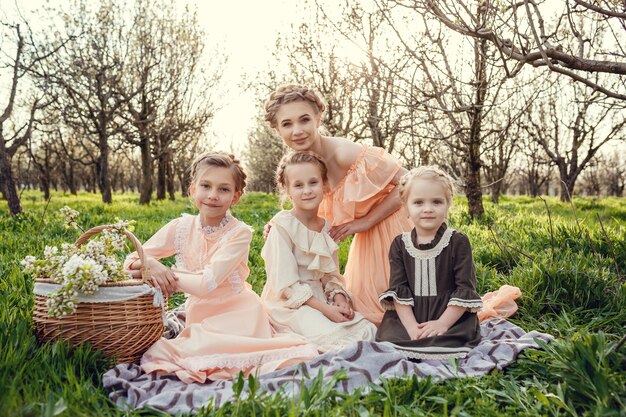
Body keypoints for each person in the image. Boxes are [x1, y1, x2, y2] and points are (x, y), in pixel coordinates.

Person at [124, 152, 317, 383]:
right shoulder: (180, 227)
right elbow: (130, 261)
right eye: (206, 186)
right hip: (200, 315)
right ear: (192, 189)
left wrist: (165, 274)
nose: (213, 195)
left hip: (239, 314)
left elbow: (206, 285)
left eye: (224, 189)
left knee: (170, 354)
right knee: (168, 352)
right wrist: (152, 264)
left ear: (236, 197)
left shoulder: (239, 233)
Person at [264, 84, 413, 326]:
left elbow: (411, 182)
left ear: (318, 118)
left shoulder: (344, 154)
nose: (298, 130)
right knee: (364, 311)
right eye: (287, 124)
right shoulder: (301, 166)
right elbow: (306, 212)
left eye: (304, 120)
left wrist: (365, 221)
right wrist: (282, 227)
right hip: (366, 240)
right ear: (277, 129)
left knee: (391, 312)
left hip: (396, 227)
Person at [261, 151, 376, 352]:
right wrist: (327, 311)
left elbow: (330, 276)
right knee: (337, 340)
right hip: (290, 304)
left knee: (367, 330)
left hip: (321, 299)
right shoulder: (281, 226)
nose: (307, 190)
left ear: (324, 185)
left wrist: (339, 300)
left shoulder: (325, 228)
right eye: (298, 185)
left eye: (313, 182)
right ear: (287, 190)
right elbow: (286, 285)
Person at [375, 166, 483, 359]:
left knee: (453, 339)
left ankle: (441, 335)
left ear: (448, 204)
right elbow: (399, 289)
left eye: (437, 202)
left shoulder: (457, 241)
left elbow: (464, 288)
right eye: (418, 202)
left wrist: (442, 323)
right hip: (410, 315)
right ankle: (414, 337)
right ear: (405, 207)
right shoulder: (400, 244)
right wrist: (411, 328)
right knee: (389, 339)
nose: (428, 209)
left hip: (449, 315)